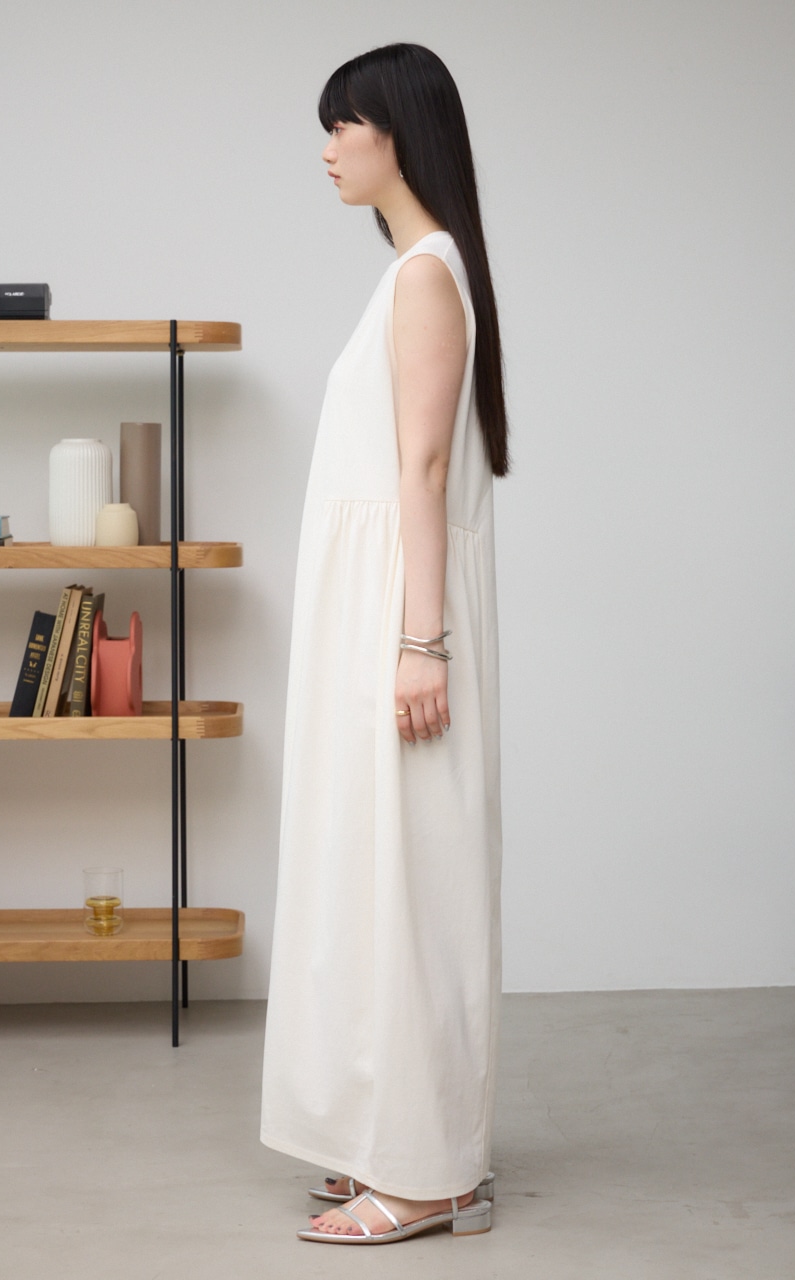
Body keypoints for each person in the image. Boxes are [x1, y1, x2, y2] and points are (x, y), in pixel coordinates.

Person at [260, 42, 508, 1245]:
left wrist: (421, 641)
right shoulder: (416, 271)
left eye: (341, 125)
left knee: (413, 882)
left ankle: (432, 1174)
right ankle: (399, 1140)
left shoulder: (424, 275)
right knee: (377, 875)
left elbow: (422, 468)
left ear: (397, 132)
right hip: (380, 610)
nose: (326, 148)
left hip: (401, 617)